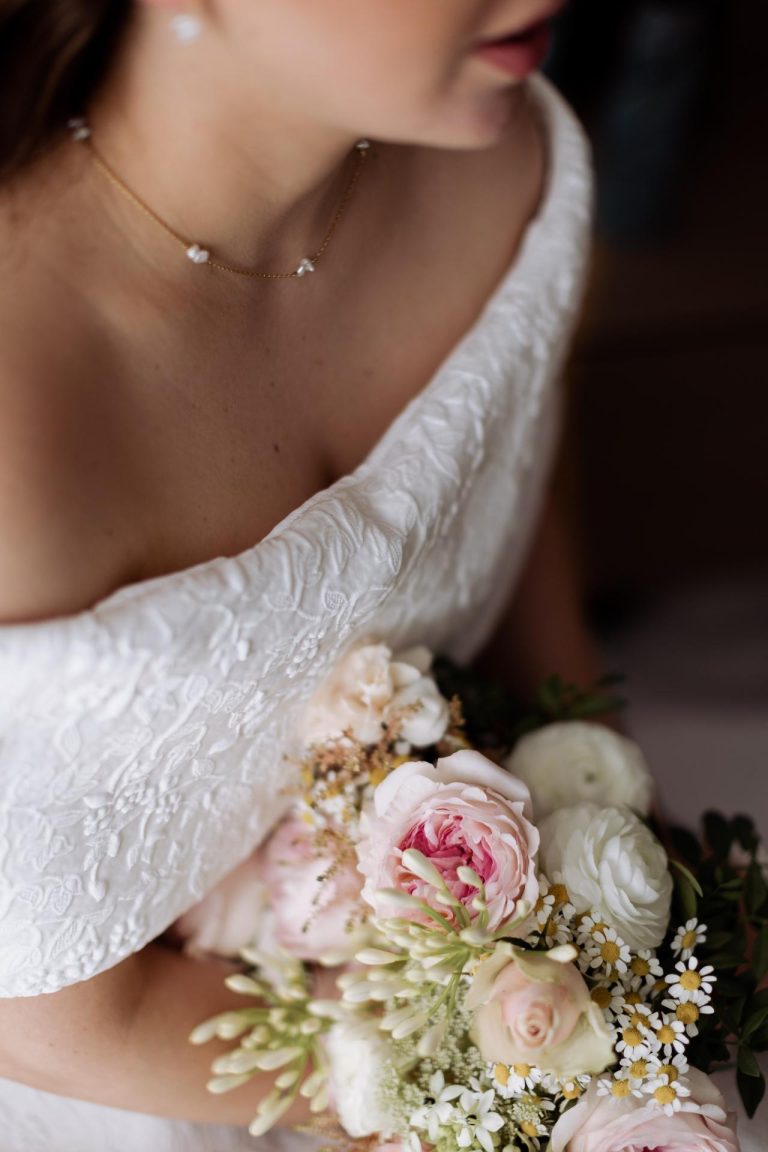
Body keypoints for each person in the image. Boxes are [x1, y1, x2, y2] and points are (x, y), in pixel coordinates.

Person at [0, 1, 597, 1148]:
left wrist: (609, 797)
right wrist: (510, 1095)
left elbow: (510, 465)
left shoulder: (502, 156)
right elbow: (39, 1014)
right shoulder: (26, 423)